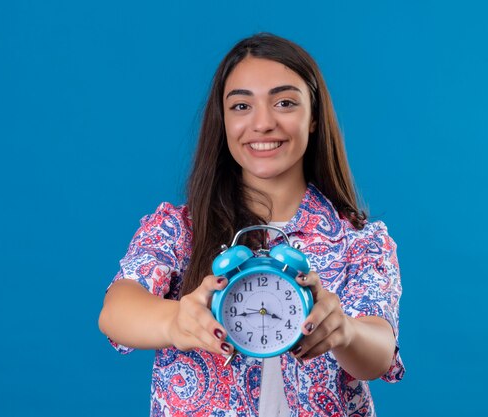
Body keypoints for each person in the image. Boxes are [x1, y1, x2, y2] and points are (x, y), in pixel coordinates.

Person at [98, 33, 404, 417]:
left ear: (313, 118)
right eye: (242, 105)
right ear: (223, 121)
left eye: (285, 102)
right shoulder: (178, 228)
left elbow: (377, 353)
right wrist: (175, 320)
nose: (262, 123)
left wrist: (344, 330)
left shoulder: (359, 241)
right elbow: (116, 310)